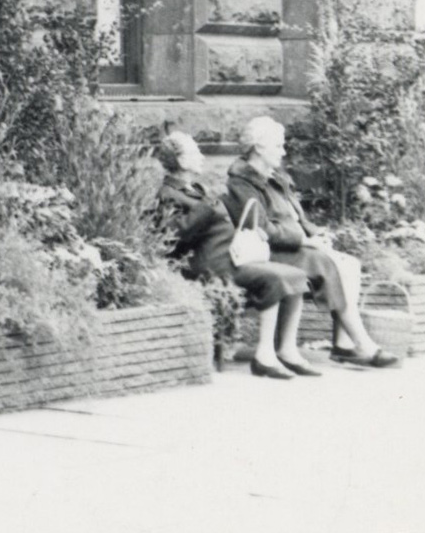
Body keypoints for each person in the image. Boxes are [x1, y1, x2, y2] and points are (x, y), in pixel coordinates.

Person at [225, 115, 399, 369]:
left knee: (349, 263)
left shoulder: (274, 176)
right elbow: (263, 229)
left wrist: (315, 234)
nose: (283, 151)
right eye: (278, 146)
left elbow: (296, 217)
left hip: (293, 247)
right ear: (259, 148)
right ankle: (363, 344)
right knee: (325, 261)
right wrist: (305, 241)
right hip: (270, 252)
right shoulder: (242, 182)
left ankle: (343, 344)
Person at [154, 132, 317, 378]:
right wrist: (205, 207)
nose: (201, 156)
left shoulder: (198, 188)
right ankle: (264, 355)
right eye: (195, 152)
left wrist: (254, 233)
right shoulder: (168, 194)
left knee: (296, 276)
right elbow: (175, 235)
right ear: (181, 161)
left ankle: (287, 350)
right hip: (209, 264)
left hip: (230, 257)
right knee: (274, 279)